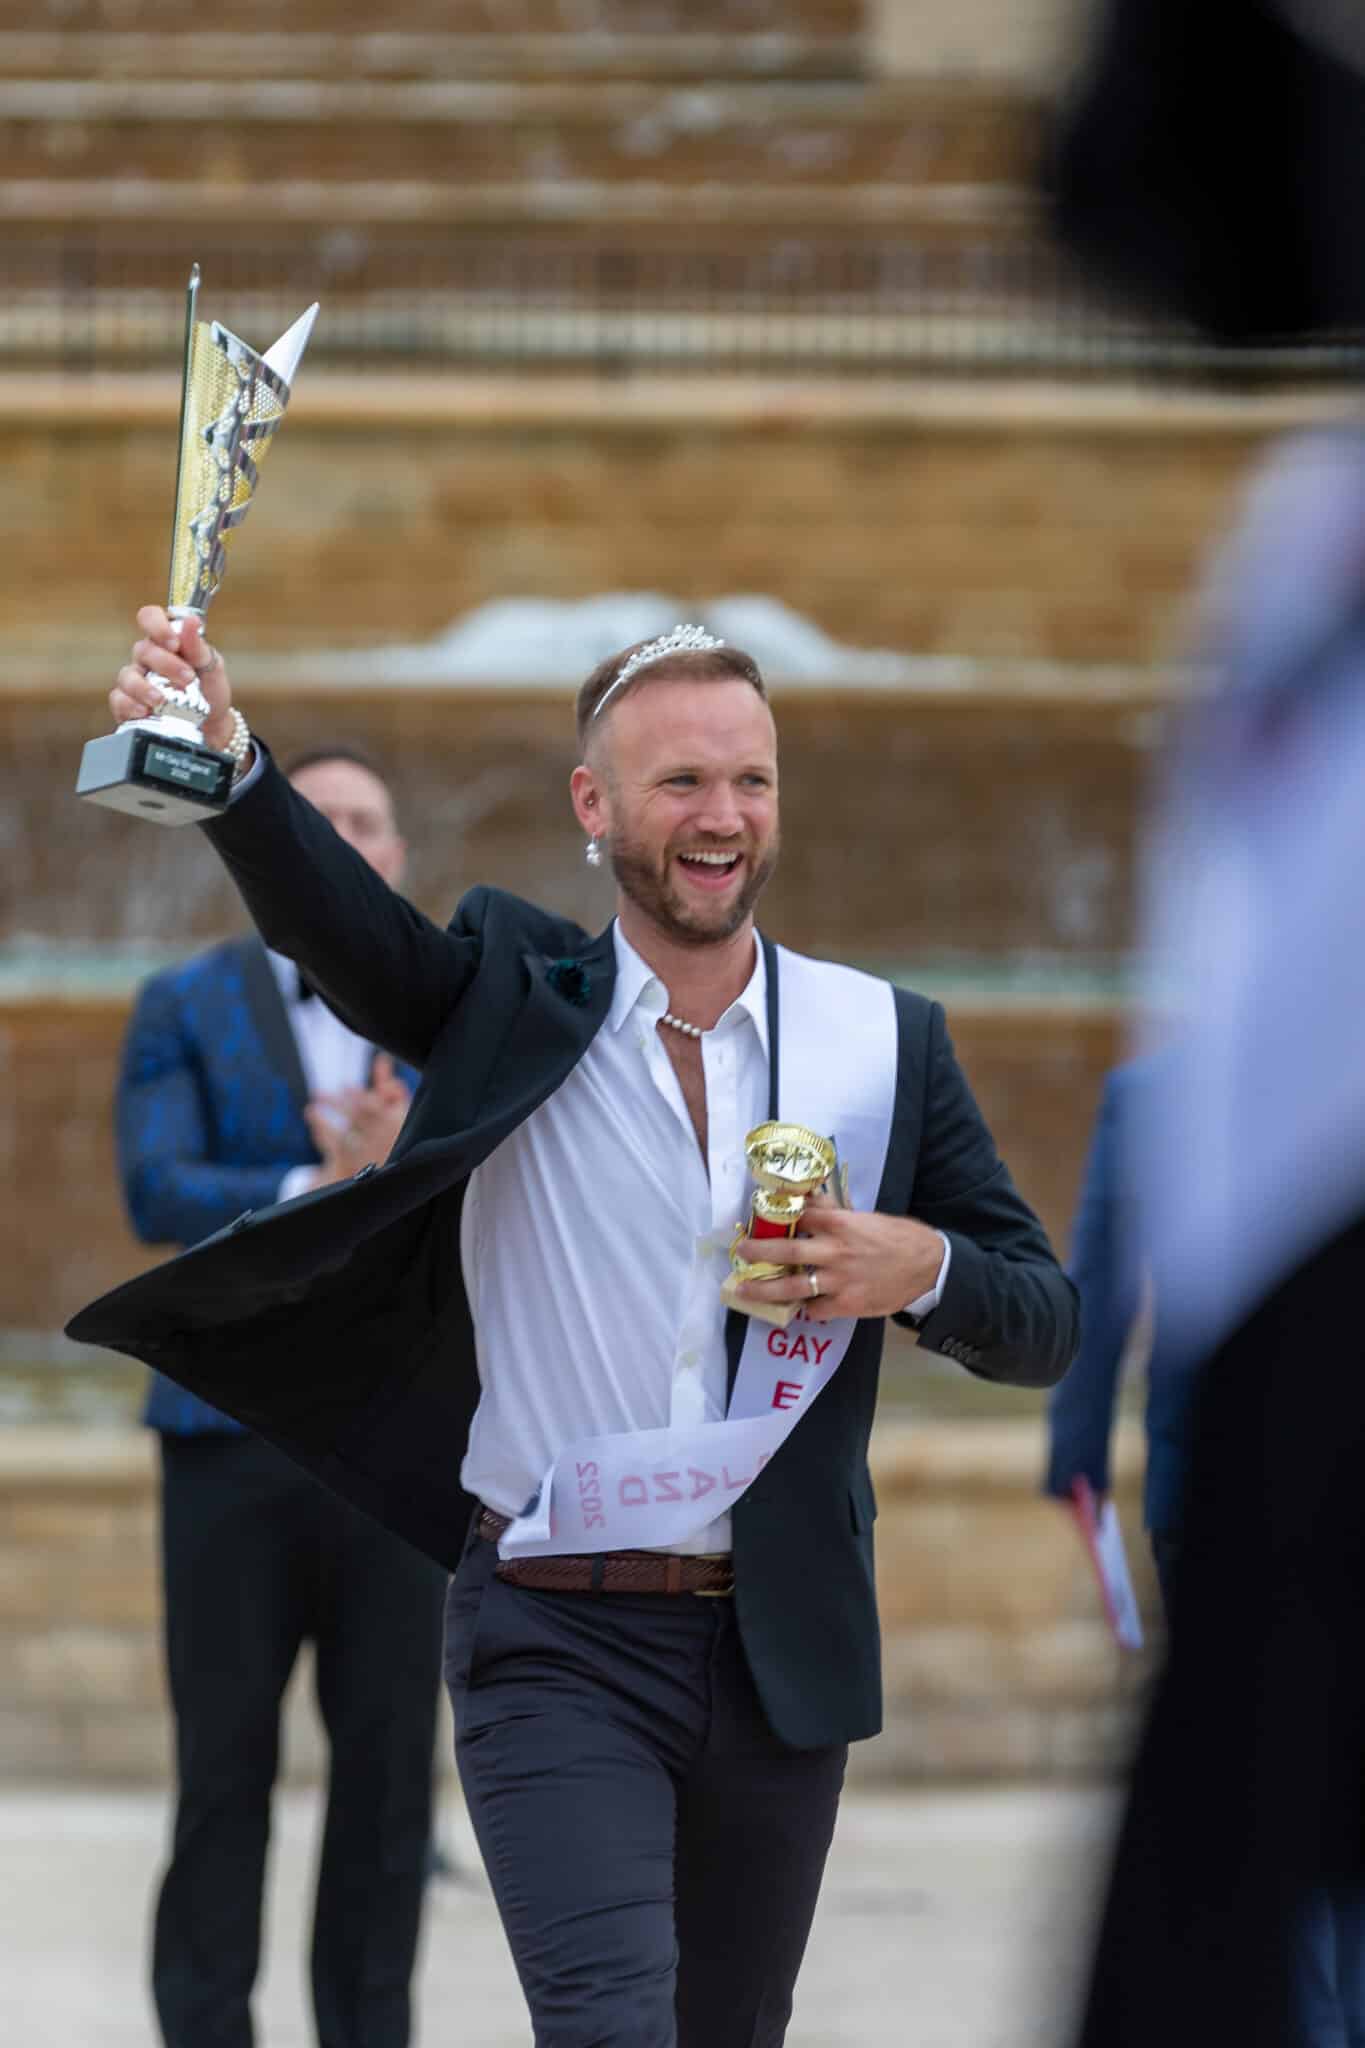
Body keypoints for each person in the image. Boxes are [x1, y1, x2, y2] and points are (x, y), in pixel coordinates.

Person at [73, 608, 1079, 2048]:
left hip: (774, 1653)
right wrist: (231, 763)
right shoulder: (510, 997)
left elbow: (1041, 1321)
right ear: (593, 808)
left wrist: (915, 1263)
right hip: (554, 1632)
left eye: (750, 780)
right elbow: (337, 927)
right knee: (609, 2027)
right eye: (678, 783)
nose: (721, 817)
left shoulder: (880, 1042)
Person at [117, 745, 448, 2048]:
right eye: (320, 820)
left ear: (399, 856)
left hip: (398, 1452)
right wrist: (318, 1186)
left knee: (386, 1801)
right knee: (220, 1782)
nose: (347, 840)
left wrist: (397, 1168)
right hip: (224, 1449)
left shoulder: (452, 1014)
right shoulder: (179, 1003)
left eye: (369, 821)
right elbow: (158, 1193)